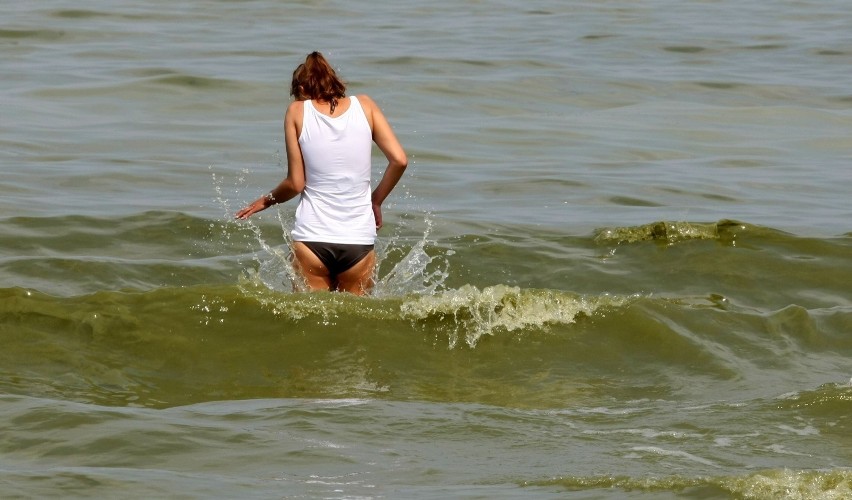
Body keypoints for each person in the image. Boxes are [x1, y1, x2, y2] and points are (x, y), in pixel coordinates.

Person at [235, 51, 407, 295]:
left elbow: (296, 183)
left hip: (312, 239)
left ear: (303, 87)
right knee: (354, 323)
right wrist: (376, 200)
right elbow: (399, 160)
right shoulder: (366, 106)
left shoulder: (296, 111)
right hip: (358, 241)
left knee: (309, 325)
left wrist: (265, 201)